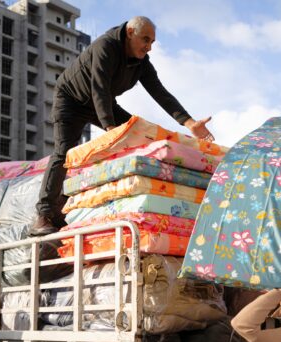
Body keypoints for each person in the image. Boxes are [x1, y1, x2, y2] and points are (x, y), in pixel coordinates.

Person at [30, 16, 215, 236]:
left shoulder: (141, 62)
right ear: (129, 32)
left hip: (104, 102)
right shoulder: (106, 46)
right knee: (64, 153)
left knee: (136, 133)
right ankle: (45, 213)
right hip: (72, 100)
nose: (149, 47)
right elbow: (98, 86)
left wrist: (189, 122)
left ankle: (129, 198)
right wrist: (110, 129)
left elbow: (160, 92)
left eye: (152, 42)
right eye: (145, 40)